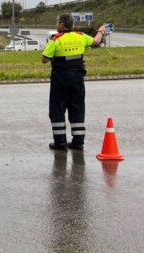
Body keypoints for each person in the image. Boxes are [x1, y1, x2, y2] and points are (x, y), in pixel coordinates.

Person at [41, 14, 107, 151]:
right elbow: (96, 42)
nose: (56, 25)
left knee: (58, 110)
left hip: (60, 80)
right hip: (77, 79)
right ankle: (78, 142)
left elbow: (44, 59)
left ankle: (60, 143)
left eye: (57, 23)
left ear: (61, 24)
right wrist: (100, 31)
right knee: (77, 108)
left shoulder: (56, 39)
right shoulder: (81, 36)